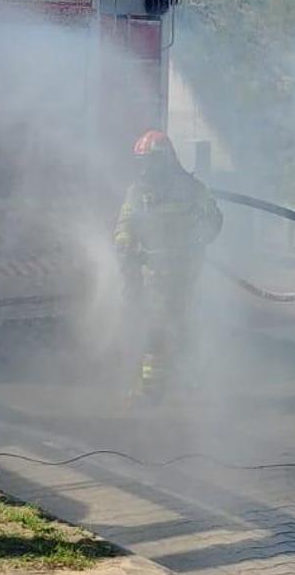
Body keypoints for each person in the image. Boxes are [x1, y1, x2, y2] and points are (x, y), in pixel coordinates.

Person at [114, 130, 223, 404]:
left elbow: (214, 219)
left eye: (149, 161)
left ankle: (159, 389)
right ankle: (167, 384)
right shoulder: (138, 191)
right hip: (151, 270)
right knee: (157, 324)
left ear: (165, 161)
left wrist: (200, 240)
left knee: (165, 325)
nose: (145, 168)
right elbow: (125, 222)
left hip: (184, 269)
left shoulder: (192, 189)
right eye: (142, 162)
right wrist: (125, 242)